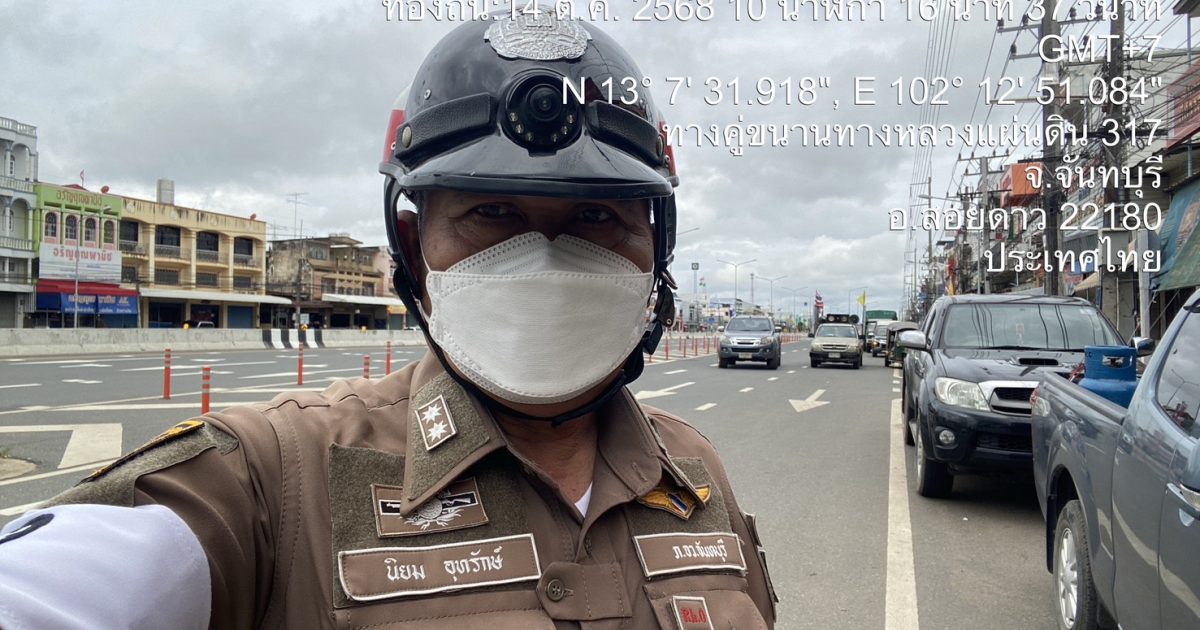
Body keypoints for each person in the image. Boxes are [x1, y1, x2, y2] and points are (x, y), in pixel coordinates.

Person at [0, 11, 778, 629]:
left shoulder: (696, 472)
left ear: (655, 250)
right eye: (493, 213)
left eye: (597, 216)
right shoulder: (275, 477)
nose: (545, 261)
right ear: (414, 247)